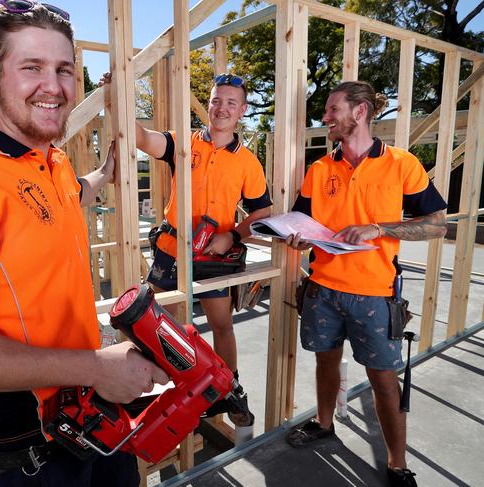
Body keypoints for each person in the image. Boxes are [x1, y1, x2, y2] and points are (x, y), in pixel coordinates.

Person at [0, 3, 168, 486]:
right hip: (24, 449)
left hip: (89, 415)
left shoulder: (52, 161)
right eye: (31, 67)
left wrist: (104, 175)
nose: (54, 85)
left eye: (64, 69)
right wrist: (96, 368)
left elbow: (68, 195)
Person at [284, 81, 447, 487]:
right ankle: (324, 423)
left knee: (384, 380)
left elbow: (436, 225)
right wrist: (296, 236)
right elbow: (304, 221)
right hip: (321, 289)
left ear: (360, 112)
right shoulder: (320, 169)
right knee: (325, 361)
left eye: (332, 109)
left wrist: (378, 229)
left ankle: (397, 463)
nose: (326, 118)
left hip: (375, 295)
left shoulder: (401, 163)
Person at [121, 72, 272, 424]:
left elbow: (262, 211)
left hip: (214, 256)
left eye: (231, 103)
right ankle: (152, 387)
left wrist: (234, 235)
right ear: (209, 104)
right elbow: (142, 138)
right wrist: (118, 97)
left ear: (242, 110)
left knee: (221, 324)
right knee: (147, 320)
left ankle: (230, 389)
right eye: (216, 100)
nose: (221, 108)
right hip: (172, 250)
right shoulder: (183, 144)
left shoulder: (247, 161)